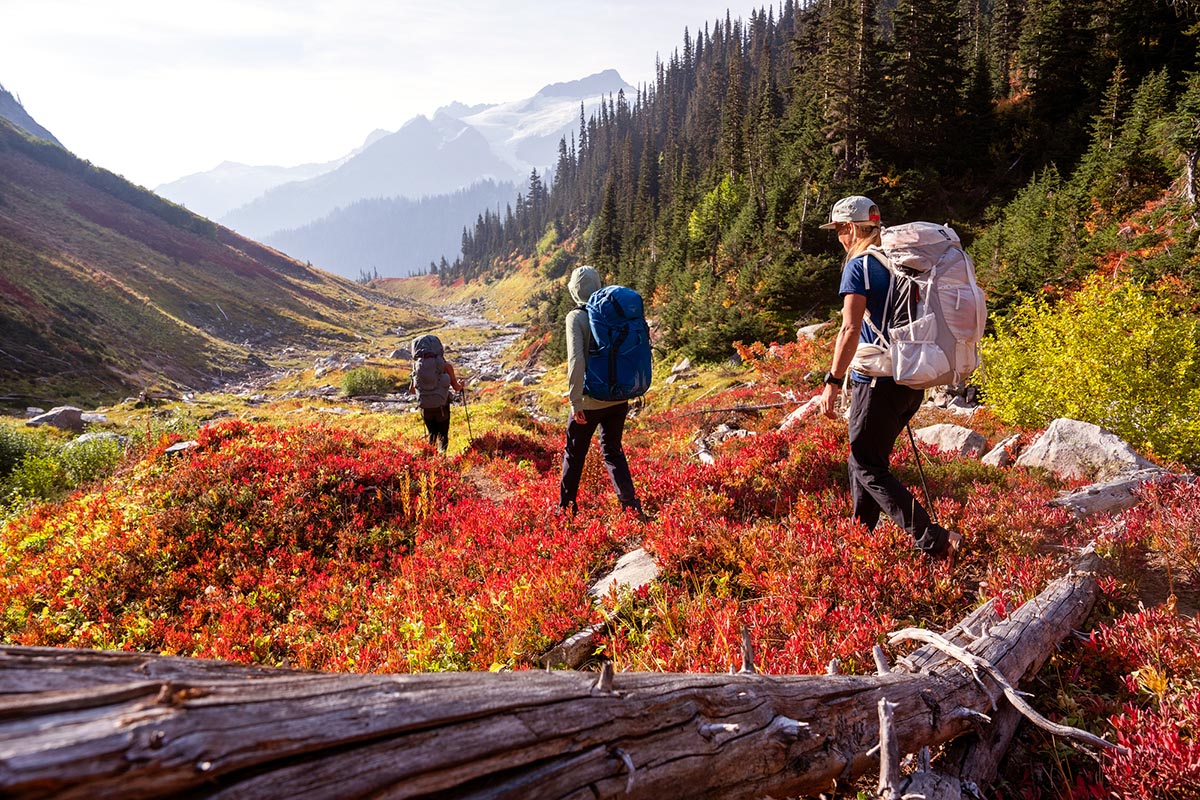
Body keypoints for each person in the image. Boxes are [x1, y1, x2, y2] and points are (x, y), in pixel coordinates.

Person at [816, 195, 962, 562]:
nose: (838, 238)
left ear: (850, 228)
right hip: (911, 381)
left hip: (877, 380)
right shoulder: (903, 263)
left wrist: (832, 381)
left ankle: (935, 540)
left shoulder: (859, 266)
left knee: (866, 463)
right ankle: (859, 538)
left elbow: (849, 329)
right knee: (864, 460)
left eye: (838, 230)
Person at [559, 265, 645, 518]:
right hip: (619, 396)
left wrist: (576, 403)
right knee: (613, 451)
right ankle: (631, 507)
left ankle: (566, 511)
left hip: (590, 399)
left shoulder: (576, 317)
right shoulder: (613, 313)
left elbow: (576, 361)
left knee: (574, 454)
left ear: (574, 291)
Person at [411, 336, 465, 453]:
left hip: (425, 408)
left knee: (432, 435)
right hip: (442, 407)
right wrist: (461, 385)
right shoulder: (446, 366)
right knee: (443, 435)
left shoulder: (417, 367)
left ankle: (431, 461)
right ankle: (442, 457)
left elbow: (412, 390)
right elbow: (456, 387)